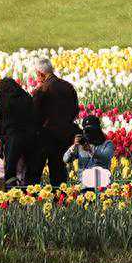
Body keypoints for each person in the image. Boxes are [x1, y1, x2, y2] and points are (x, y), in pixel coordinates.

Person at [32, 58, 80, 186]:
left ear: (40, 74)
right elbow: (75, 110)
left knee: (36, 172)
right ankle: (60, 196)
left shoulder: (42, 90)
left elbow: (35, 114)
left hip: (46, 135)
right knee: (59, 170)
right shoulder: (68, 86)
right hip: (65, 134)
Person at [0, 77, 38, 187]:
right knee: (28, 170)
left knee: (10, 169)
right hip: (30, 137)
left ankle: (11, 193)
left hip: (12, 137)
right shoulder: (26, 97)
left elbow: (0, 124)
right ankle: (28, 191)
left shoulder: (1, 101)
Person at [63, 115, 115, 184]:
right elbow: (66, 159)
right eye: (86, 130)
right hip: (84, 184)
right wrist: (74, 146)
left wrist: (90, 151)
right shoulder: (80, 145)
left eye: (91, 130)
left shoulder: (107, 144)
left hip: (102, 184)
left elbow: (106, 158)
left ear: (98, 130)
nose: (88, 133)